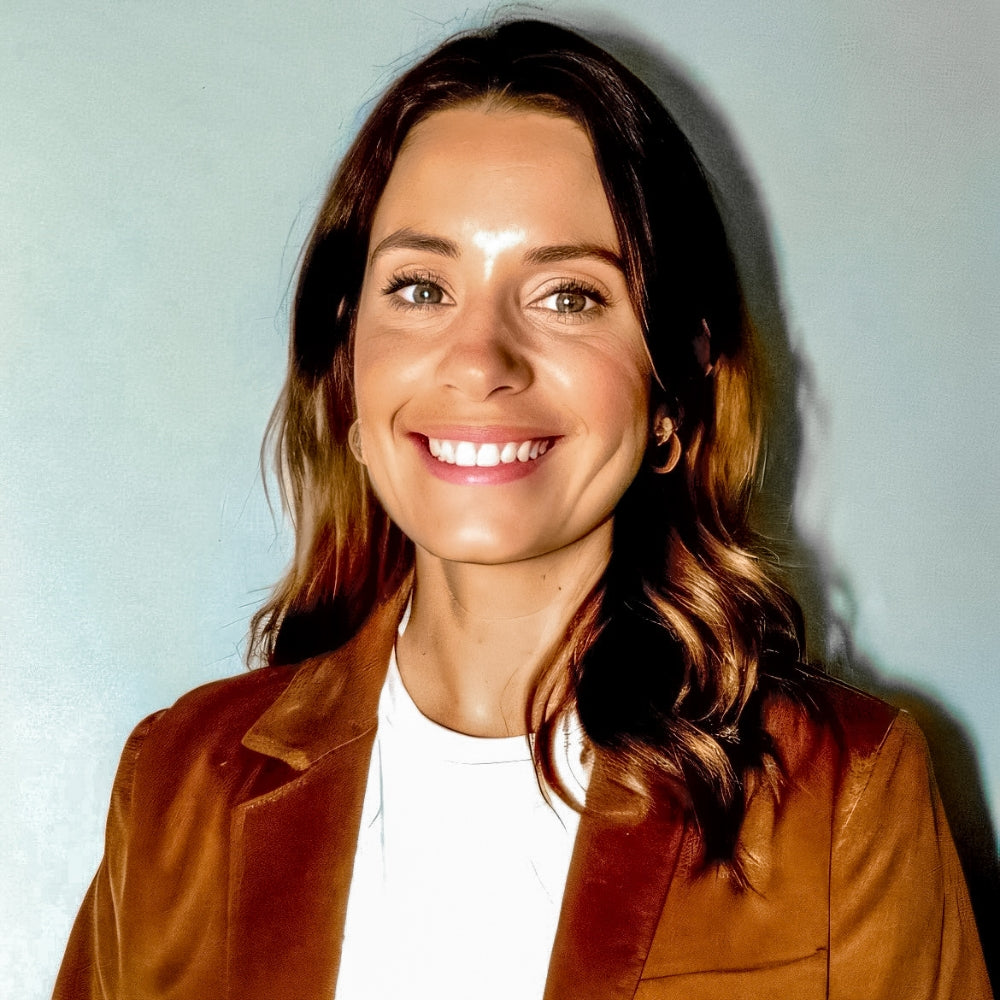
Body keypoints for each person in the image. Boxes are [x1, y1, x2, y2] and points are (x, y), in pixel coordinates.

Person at [53, 18, 990, 1000]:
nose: (480, 360)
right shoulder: (179, 788)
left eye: (568, 296)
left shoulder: (840, 795)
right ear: (346, 368)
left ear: (674, 390)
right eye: (420, 287)